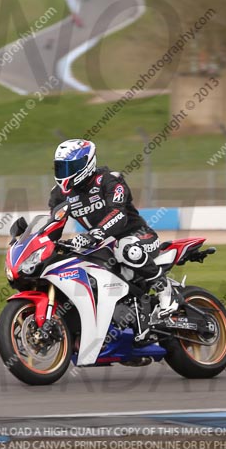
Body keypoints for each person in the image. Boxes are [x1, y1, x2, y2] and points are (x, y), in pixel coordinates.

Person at [48, 139, 180, 324]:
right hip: (103, 245)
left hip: (139, 236)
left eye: (71, 167)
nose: (65, 173)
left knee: (126, 248)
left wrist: (94, 235)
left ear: (87, 163)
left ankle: (165, 291)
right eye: (61, 168)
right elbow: (54, 224)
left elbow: (118, 214)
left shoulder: (110, 180)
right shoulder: (59, 194)